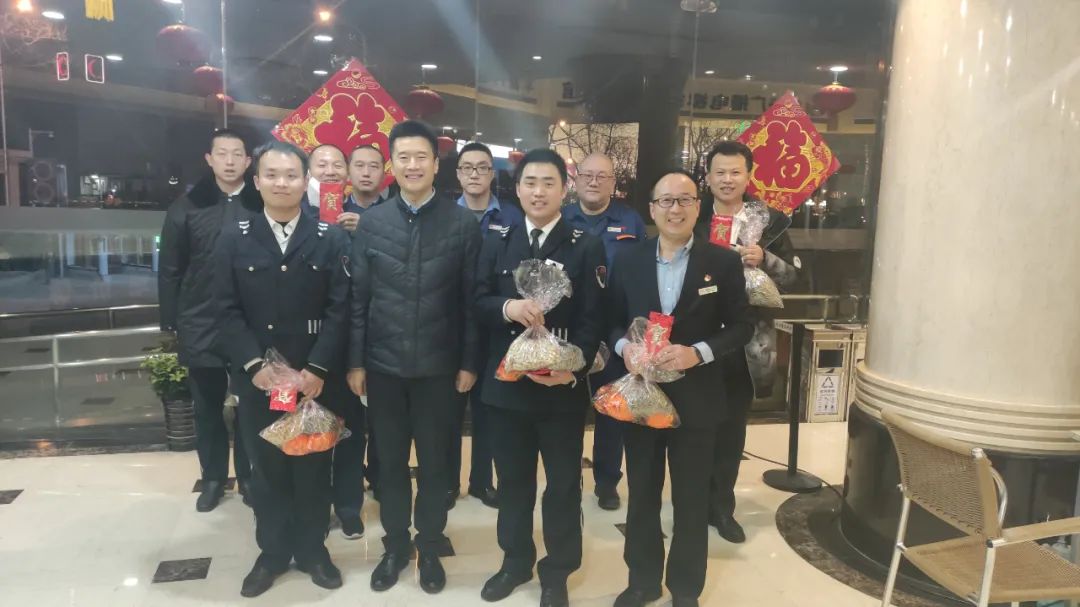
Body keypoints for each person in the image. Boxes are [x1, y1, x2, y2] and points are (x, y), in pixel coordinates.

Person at [347, 120, 481, 595]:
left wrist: (469, 363)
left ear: (436, 164)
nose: (412, 165)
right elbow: (359, 298)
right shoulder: (373, 223)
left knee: (435, 466)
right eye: (402, 157)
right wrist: (356, 362)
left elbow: (471, 301)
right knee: (388, 466)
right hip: (383, 367)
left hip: (440, 369)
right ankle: (395, 545)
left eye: (421, 156)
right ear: (392, 164)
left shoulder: (462, 225)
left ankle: (429, 543)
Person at [607, 169, 753, 607]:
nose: (676, 209)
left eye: (685, 200)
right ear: (652, 209)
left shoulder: (722, 262)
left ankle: (686, 589)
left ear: (698, 207)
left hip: (698, 398)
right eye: (666, 201)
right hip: (643, 395)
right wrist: (625, 349)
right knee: (642, 496)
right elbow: (609, 321)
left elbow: (742, 326)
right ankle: (643, 582)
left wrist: (698, 352)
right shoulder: (627, 260)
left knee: (691, 500)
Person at [213, 141, 352, 597]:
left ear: (305, 181)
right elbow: (224, 308)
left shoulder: (329, 237)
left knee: (313, 467)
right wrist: (254, 365)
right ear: (256, 181)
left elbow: (340, 309)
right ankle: (272, 553)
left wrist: (318, 368)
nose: (281, 183)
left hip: (314, 381)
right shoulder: (234, 237)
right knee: (267, 470)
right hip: (261, 380)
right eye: (271, 175)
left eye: (291, 175)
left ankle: (313, 551)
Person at [475, 149, 606, 607]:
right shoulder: (497, 239)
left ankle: (558, 570)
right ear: (517, 188)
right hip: (506, 386)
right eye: (530, 182)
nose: (538, 191)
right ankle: (515, 562)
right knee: (512, 482)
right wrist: (506, 307)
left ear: (564, 189)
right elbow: (476, 300)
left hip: (560, 392)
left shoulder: (584, 243)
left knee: (564, 484)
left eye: (548, 182)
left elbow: (593, 317)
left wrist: (571, 368)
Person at [695, 140, 799, 544]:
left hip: (747, 342)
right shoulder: (692, 215)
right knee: (695, 427)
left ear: (748, 175)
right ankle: (691, 503)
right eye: (719, 172)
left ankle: (722, 507)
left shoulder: (770, 223)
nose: (727, 179)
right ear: (707, 177)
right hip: (697, 341)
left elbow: (795, 278)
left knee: (732, 428)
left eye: (735, 172)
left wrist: (764, 259)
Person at [158, 128, 257, 512]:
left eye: (237, 154)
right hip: (200, 321)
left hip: (249, 323)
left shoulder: (260, 202)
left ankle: (250, 476)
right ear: (209, 159)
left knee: (251, 405)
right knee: (207, 407)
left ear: (248, 161)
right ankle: (214, 478)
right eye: (222, 153)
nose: (230, 161)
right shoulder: (186, 208)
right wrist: (171, 323)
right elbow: (170, 270)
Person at [561, 152, 647, 511]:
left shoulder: (631, 221)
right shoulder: (562, 217)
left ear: (614, 182)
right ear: (576, 180)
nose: (594, 182)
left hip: (614, 330)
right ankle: (566, 478)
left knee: (612, 410)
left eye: (603, 176)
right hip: (571, 329)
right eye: (587, 175)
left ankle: (607, 481)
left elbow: (643, 272)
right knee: (566, 409)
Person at [449, 141, 524, 511]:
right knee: (448, 413)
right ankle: (448, 483)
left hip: (495, 323)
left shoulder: (512, 217)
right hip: (451, 325)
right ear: (458, 174)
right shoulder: (445, 215)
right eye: (468, 167)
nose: (475, 173)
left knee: (487, 411)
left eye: (482, 167)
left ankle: (482, 481)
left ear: (492, 174)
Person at [300, 142, 368, 541]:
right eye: (321, 164)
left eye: (337, 164)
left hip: (349, 344)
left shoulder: (361, 215)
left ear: (347, 172)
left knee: (350, 429)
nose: (330, 170)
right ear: (309, 171)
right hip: (306, 348)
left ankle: (348, 505)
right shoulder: (295, 212)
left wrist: (361, 232)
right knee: (310, 429)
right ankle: (316, 505)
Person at [343, 143, 387, 498]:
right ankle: (347, 483)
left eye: (374, 165)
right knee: (347, 411)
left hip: (382, 324)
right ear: (348, 171)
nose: (367, 172)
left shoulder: (395, 213)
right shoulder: (330, 210)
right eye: (359, 165)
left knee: (384, 414)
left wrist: (368, 229)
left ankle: (380, 475)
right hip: (341, 321)